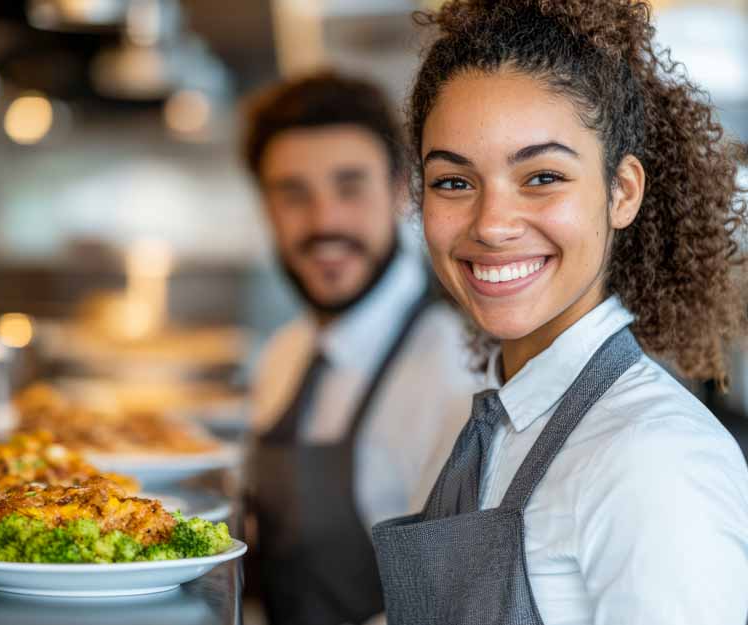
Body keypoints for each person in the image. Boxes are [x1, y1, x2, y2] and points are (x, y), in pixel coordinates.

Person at [371, 1, 748, 624]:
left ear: (621, 192)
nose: (491, 225)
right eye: (455, 182)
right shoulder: (491, 420)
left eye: (542, 176)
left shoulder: (655, 459)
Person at [242, 72, 482, 625]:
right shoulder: (286, 353)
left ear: (401, 190)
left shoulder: (459, 368)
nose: (324, 221)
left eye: (349, 187)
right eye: (293, 193)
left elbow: (454, 603)